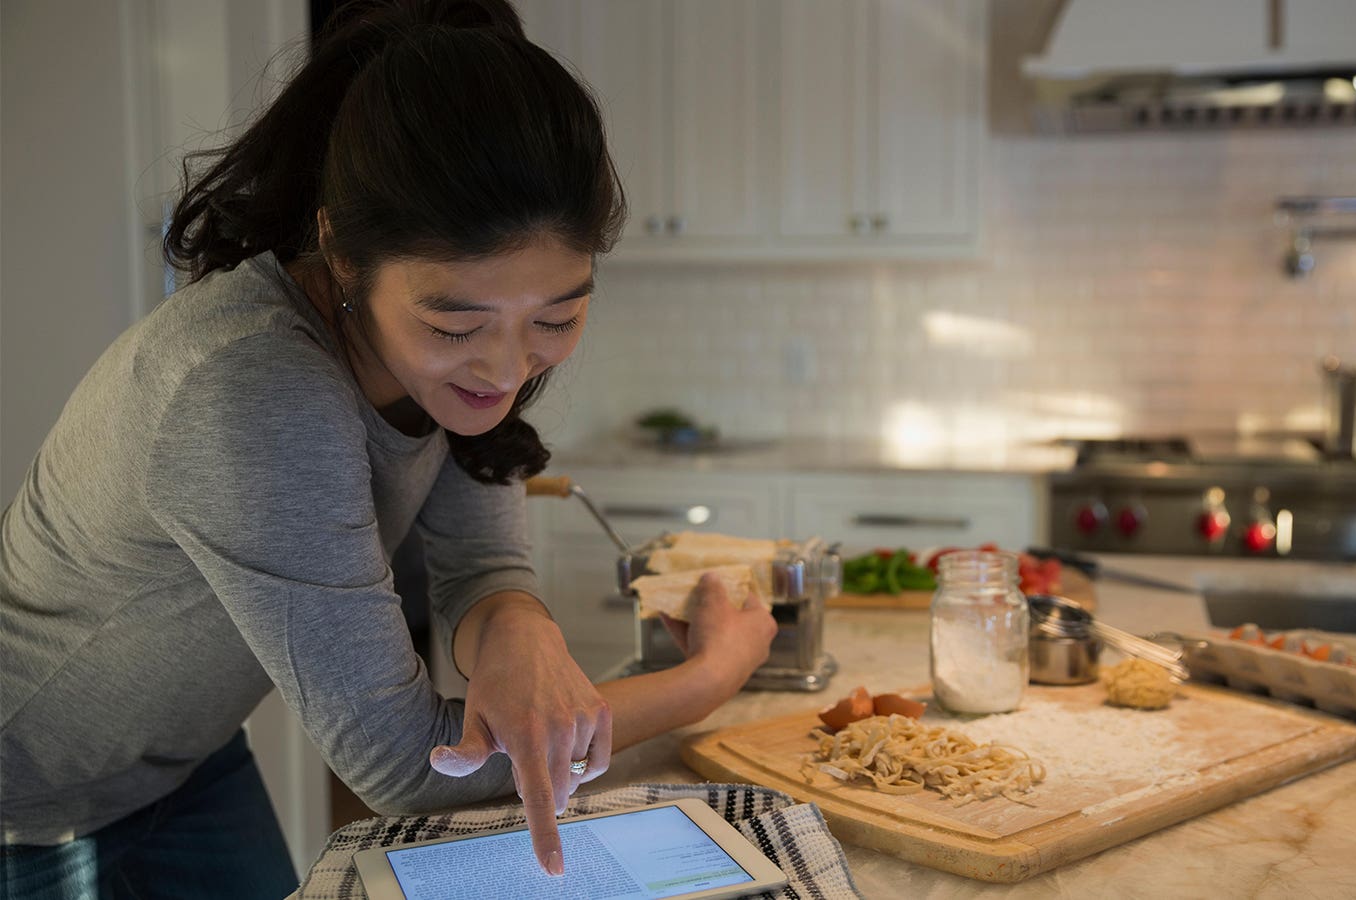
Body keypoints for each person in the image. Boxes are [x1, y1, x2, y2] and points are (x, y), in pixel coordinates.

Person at [0, 1, 777, 895]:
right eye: (455, 323)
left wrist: (519, 622)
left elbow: (481, 561)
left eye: (557, 316)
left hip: (188, 759)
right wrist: (710, 676)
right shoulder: (250, 389)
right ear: (337, 248)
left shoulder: (440, 366)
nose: (508, 366)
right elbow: (413, 765)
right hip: (30, 797)